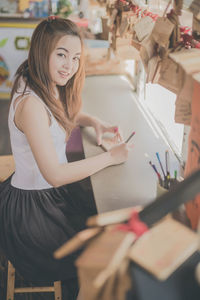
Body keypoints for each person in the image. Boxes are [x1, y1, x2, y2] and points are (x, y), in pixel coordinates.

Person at [0, 16, 133, 299]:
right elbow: (55, 174)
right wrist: (110, 157)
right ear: (42, 50)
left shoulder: (36, 77)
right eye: (61, 55)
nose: (70, 66)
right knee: (102, 253)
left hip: (43, 198)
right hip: (32, 215)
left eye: (75, 58)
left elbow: (59, 116)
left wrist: (94, 121)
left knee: (104, 226)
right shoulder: (31, 105)